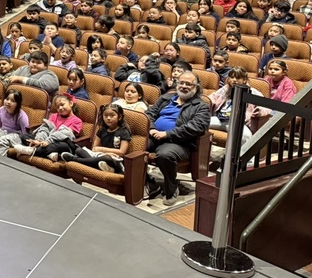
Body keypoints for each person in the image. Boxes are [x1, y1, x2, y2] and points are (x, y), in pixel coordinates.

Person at [145, 72, 210, 205]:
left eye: (189, 84)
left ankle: (171, 188)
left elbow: (195, 127)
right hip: (155, 135)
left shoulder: (201, 106)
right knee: (134, 144)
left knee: (165, 155)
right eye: (181, 83)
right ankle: (148, 182)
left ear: (196, 87)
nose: (184, 86)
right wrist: (151, 128)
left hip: (180, 142)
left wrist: (167, 134)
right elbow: (149, 114)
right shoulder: (166, 98)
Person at [13, 93, 83, 162]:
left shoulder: (77, 121)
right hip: (45, 140)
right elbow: (45, 128)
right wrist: (40, 140)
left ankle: (33, 151)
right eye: (57, 107)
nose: (60, 108)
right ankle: (49, 154)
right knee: (24, 136)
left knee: (62, 146)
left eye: (62, 105)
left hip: (59, 143)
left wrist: (48, 141)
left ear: (71, 103)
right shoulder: (54, 116)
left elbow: (65, 134)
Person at [61, 104, 131, 173]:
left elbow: (122, 152)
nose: (108, 118)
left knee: (107, 158)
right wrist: (102, 151)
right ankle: (102, 167)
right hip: (100, 155)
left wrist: (103, 150)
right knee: (79, 150)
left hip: (115, 159)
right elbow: (94, 148)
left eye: (112, 115)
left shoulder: (124, 132)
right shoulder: (102, 130)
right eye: (106, 116)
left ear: (119, 117)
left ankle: (75, 160)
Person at [209, 66, 269, 144]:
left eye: (238, 78)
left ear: (244, 80)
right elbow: (211, 98)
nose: (234, 80)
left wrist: (260, 111)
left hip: (239, 123)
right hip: (221, 119)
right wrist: (206, 101)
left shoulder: (252, 92)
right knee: (200, 122)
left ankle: (244, 156)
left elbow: (266, 106)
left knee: (246, 136)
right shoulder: (225, 89)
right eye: (232, 77)